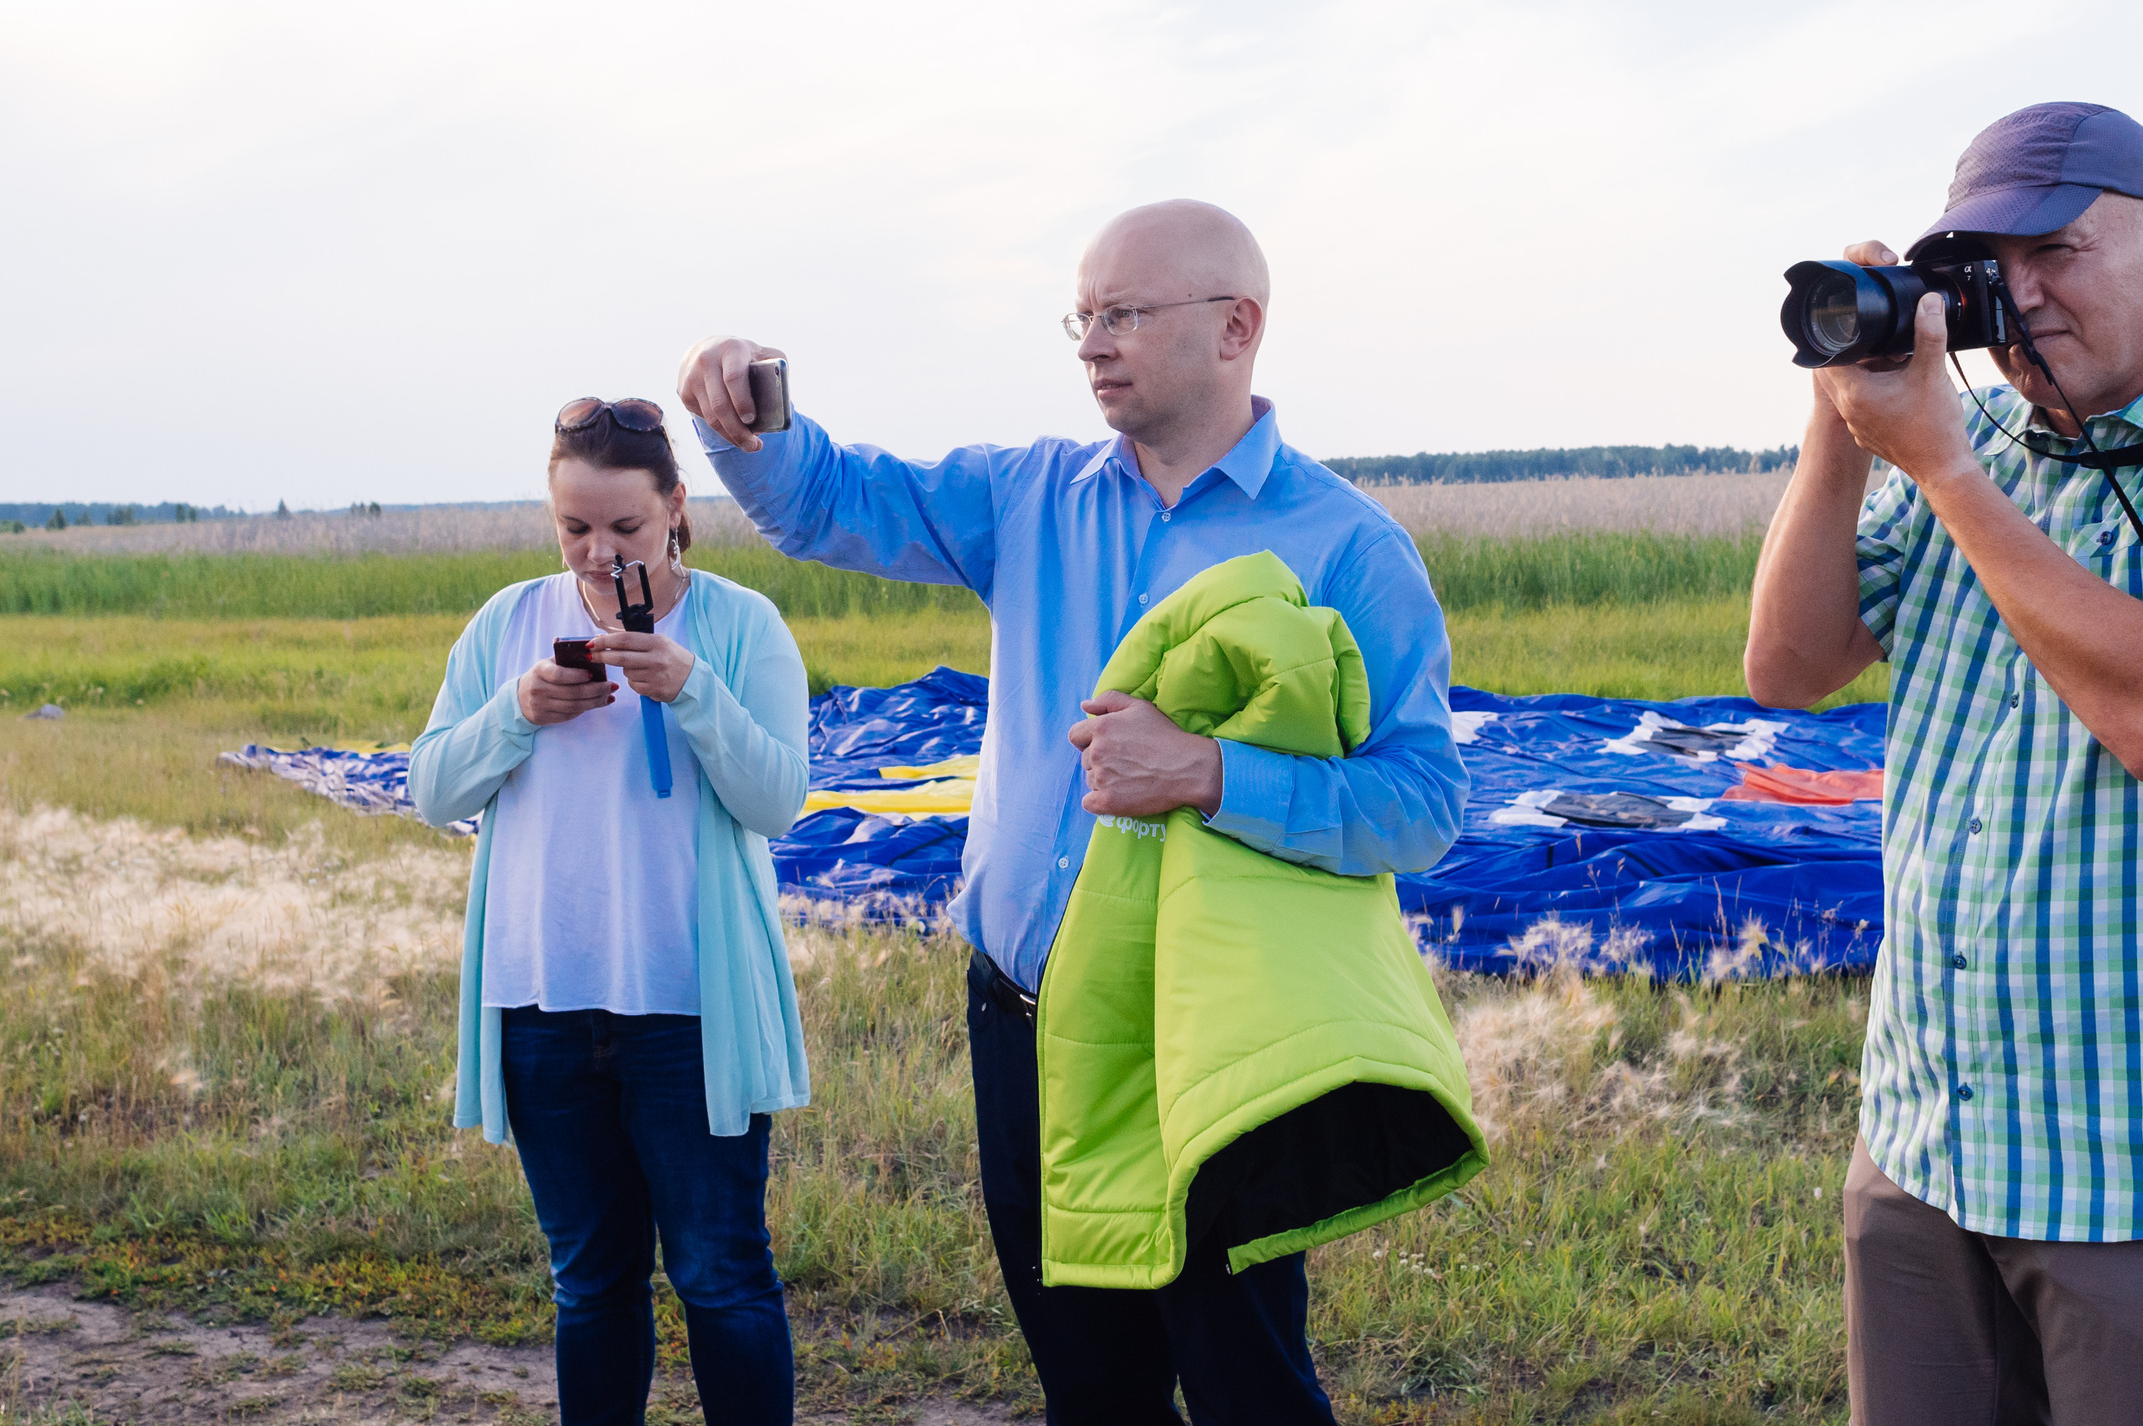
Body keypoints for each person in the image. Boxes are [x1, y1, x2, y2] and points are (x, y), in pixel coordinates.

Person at [677, 198, 1466, 1425]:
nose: (1091, 342)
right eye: (1081, 315)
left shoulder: (1349, 547)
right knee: (1089, 1383)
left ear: (1235, 326)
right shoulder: (1030, 496)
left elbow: (1419, 804)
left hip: (1205, 1031)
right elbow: (829, 500)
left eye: (1124, 313)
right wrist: (743, 415)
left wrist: (1208, 771)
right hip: (1023, 1014)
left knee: (1244, 1377)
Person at [1744, 103, 2143, 1426]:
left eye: (2055, 252)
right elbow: (1789, 665)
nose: (2022, 299)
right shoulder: (1977, 456)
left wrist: (1943, 465)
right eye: (1990, 269)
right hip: (1930, 1140)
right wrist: (1841, 425)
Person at [411, 397, 813, 1426]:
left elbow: (775, 799)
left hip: (689, 1008)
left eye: (624, 527)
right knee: (588, 1281)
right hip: (543, 1002)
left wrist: (692, 690)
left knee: (721, 1272)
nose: (597, 551)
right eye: (573, 527)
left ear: (676, 509)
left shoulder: (739, 624)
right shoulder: (506, 623)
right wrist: (517, 712)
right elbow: (431, 789)